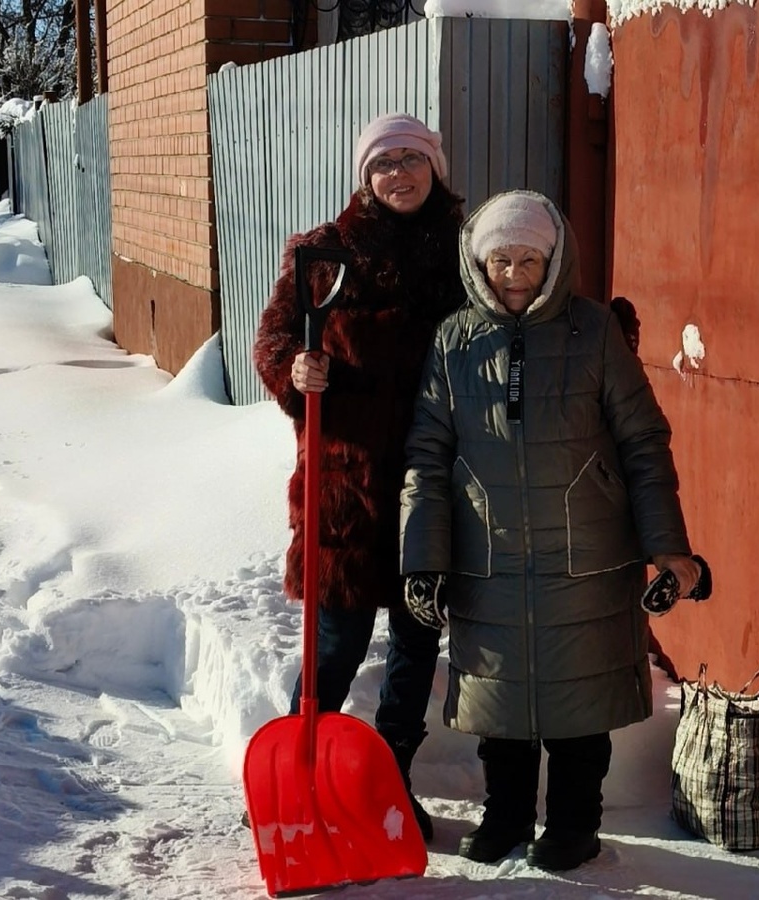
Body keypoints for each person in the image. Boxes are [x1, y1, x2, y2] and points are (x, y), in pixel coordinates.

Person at [399, 190, 703, 871]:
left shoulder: (592, 332)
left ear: (554, 261)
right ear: (479, 265)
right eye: (500, 260)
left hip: (586, 551)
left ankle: (572, 824)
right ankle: (505, 815)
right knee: (500, 695)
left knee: (578, 700)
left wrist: (666, 545)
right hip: (489, 550)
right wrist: (424, 559)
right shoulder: (454, 340)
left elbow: (643, 441)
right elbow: (427, 456)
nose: (514, 274)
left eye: (529, 260)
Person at [253, 112, 466, 842]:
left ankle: (390, 785)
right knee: (335, 644)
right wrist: (294, 370)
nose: (399, 173)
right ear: (365, 176)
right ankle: (300, 782)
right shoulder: (324, 254)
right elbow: (274, 338)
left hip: (436, 480)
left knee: (415, 644)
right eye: (384, 162)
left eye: (413, 158)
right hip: (345, 483)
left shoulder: (464, 253)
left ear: (436, 167)